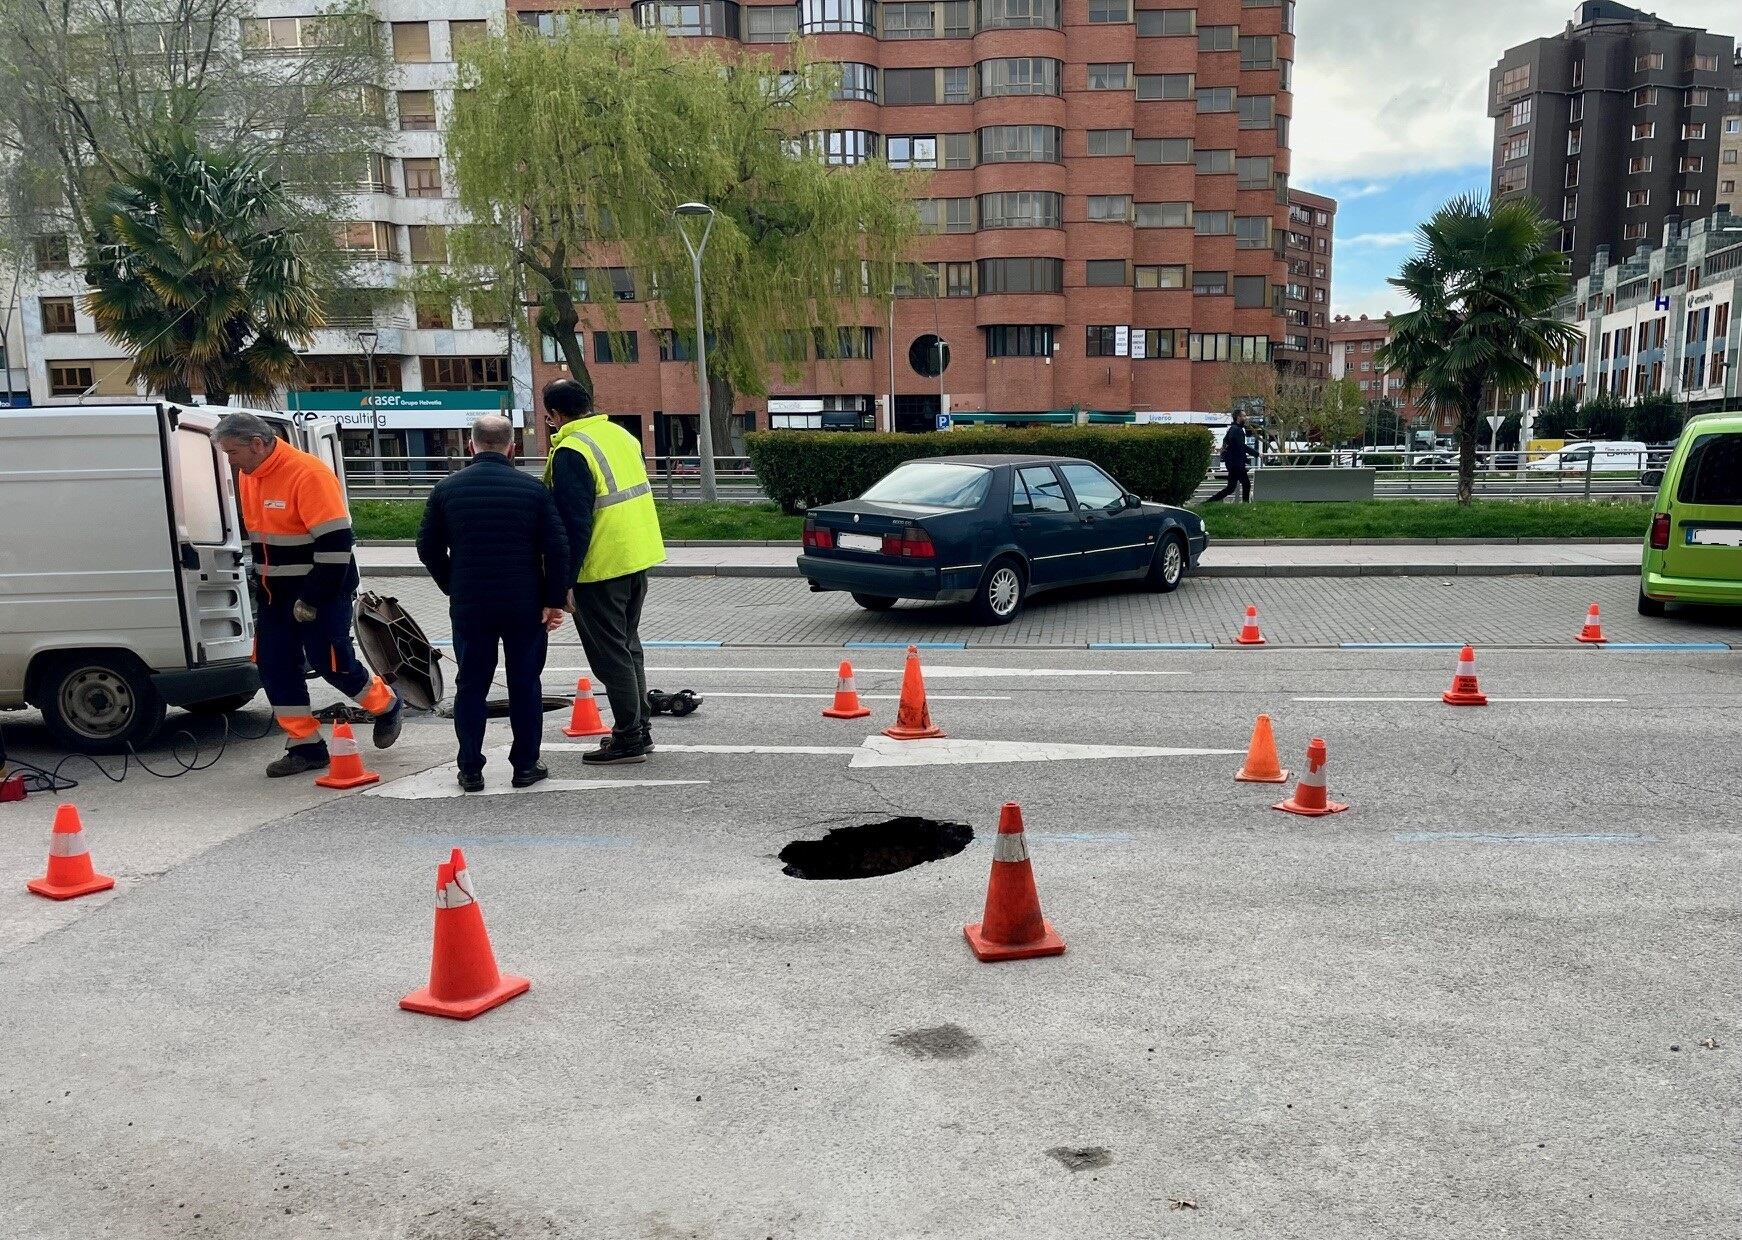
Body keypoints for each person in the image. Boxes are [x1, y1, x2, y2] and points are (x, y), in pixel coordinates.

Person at [214, 412, 402, 777]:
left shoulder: (308, 474)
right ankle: (305, 745)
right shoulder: (250, 475)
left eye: (232, 452)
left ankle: (387, 705)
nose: (229, 460)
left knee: (331, 662)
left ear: (257, 444)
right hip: (275, 596)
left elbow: (335, 547)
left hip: (321, 592)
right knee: (274, 665)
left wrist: (312, 598)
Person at [416, 415, 570, 792]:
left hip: (471, 604)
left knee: (470, 685)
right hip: (524, 604)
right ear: (512, 447)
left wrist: (452, 583)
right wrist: (554, 601)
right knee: (524, 683)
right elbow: (558, 547)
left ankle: (470, 769)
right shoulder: (532, 490)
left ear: (471, 445)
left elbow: (426, 546)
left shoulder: (447, 489)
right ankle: (525, 767)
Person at [542, 379, 666, 765]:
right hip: (636, 557)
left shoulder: (571, 450)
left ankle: (629, 737)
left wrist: (562, 582)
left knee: (611, 656)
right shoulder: (622, 436)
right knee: (629, 647)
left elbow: (575, 524)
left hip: (601, 567)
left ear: (554, 416)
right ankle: (639, 730)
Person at [1207, 410, 1254, 503]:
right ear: (1238, 417)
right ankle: (1245, 503)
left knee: (1231, 487)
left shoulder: (1233, 429)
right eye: (1244, 416)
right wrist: (1257, 454)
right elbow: (1241, 446)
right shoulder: (1236, 430)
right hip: (1236, 463)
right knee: (1246, 484)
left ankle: (1210, 501)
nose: (1246, 418)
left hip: (1233, 462)